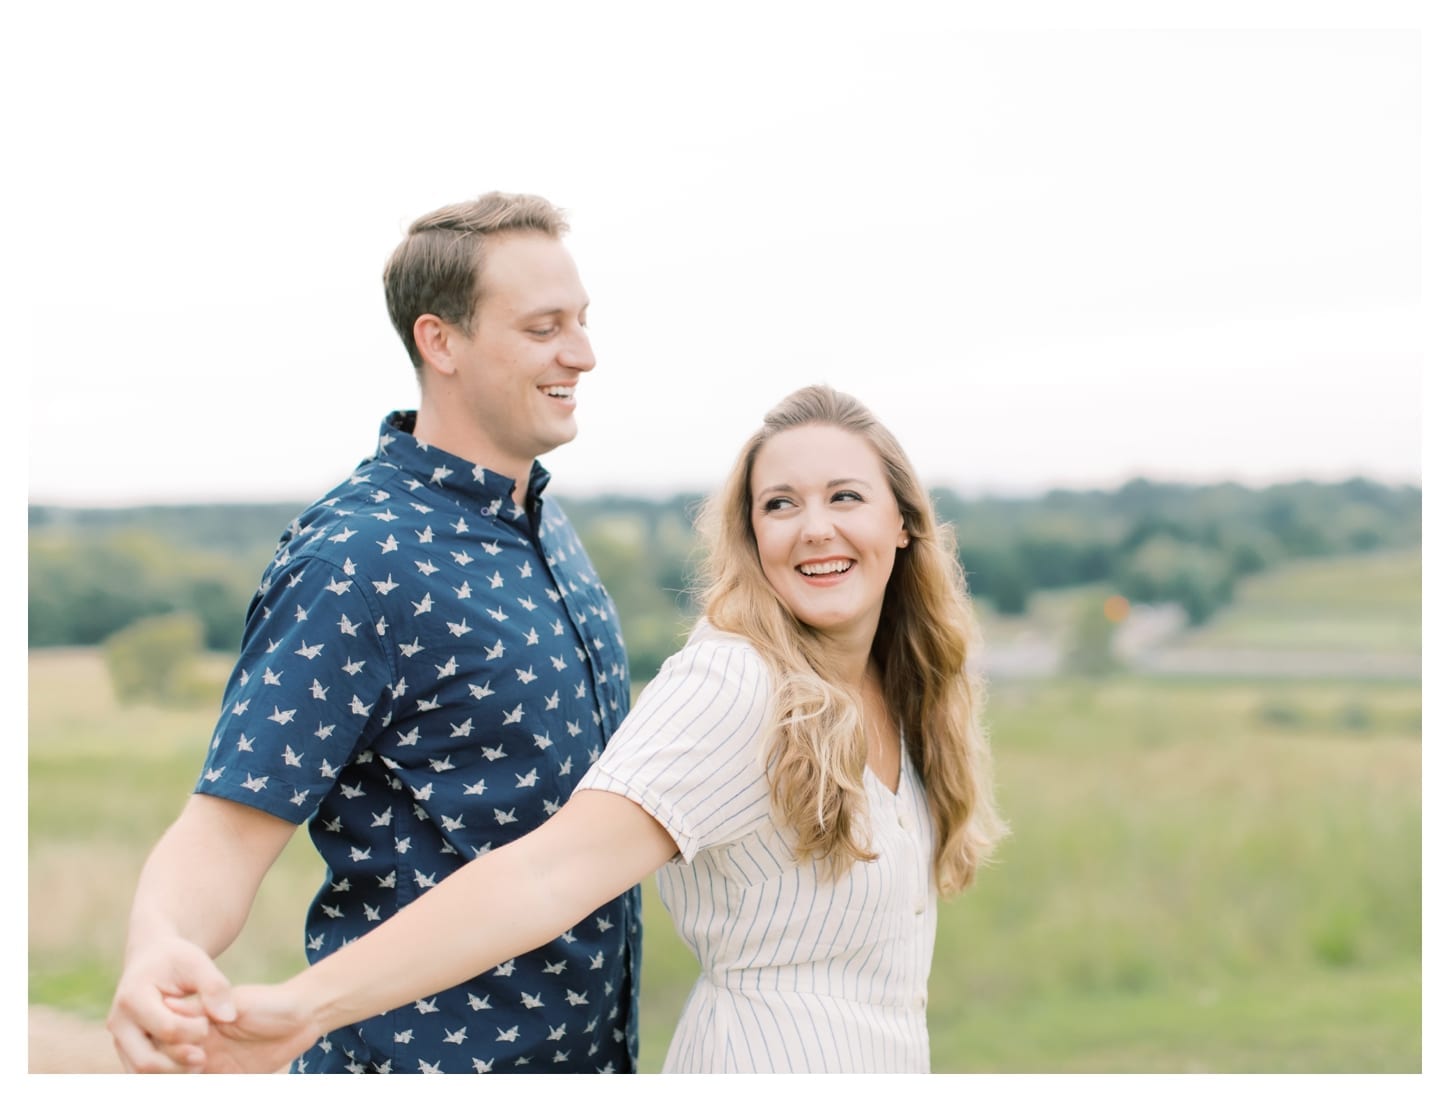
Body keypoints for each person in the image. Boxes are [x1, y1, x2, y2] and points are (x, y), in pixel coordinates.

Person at [182, 384, 1008, 1074]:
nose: (814, 527)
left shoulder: (906, 686)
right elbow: (549, 874)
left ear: (903, 521)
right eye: (780, 504)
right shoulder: (735, 685)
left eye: (846, 497)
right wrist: (304, 1006)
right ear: (753, 537)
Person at [106, 191, 643, 1074]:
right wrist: (158, 941)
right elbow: (229, 825)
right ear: (442, 342)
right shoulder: (358, 558)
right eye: (545, 328)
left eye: (581, 322)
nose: (582, 354)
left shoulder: (543, 525)